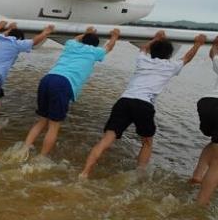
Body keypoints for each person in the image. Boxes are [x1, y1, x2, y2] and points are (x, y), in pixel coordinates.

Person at [80, 30, 207, 179]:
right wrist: (198, 44)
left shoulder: (143, 60)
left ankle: (84, 173)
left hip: (124, 101)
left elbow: (143, 48)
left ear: (152, 51)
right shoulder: (170, 66)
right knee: (147, 142)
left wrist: (156, 38)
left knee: (106, 139)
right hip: (144, 104)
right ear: (169, 55)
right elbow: (187, 57)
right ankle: (139, 175)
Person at [21, 26, 120, 158]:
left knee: (42, 120)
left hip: (48, 79)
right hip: (64, 83)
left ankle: (24, 149)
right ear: (96, 45)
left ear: (82, 40)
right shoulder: (95, 52)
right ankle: (41, 158)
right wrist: (115, 36)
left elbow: (76, 38)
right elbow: (109, 47)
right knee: (54, 126)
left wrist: (87, 32)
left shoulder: (71, 45)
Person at [191, 36, 218, 206]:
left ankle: (197, 177)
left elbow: (213, 53)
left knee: (214, 142)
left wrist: (216, 43)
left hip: (207, 103)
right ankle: (200, 205)